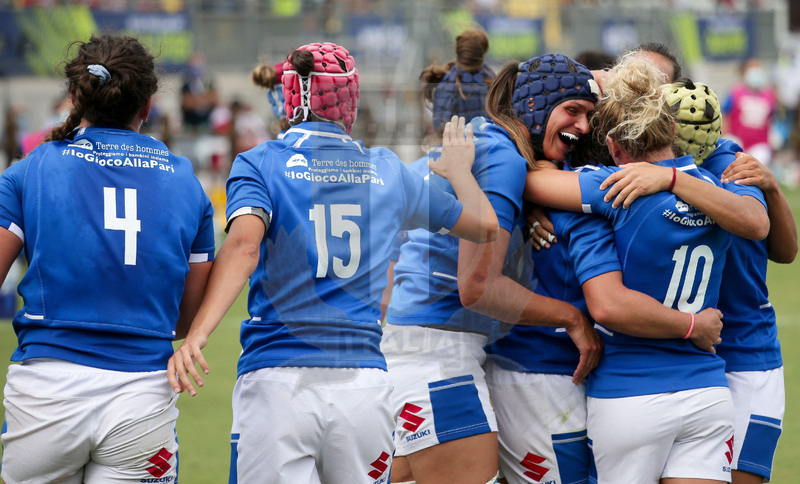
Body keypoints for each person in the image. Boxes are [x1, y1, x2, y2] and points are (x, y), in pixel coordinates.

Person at [167, 42, 499, 484]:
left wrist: (197, 334)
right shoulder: (388, 169)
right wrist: (458, 170)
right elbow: (485, 226)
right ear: (350, 99)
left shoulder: (259, 163)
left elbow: (244, 247)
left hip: (277, 381)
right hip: (363, 384)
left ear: (289, 99)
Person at [522, 54, 769, 484]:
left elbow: (527, 182)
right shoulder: (720, 188)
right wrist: (675, 178)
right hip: (707, 394)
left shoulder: (612, 186)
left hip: (629, 393)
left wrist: (536, 198)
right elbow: (757, 224)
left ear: (614, 146)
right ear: (672, 130)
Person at [0, 33, 215, 484]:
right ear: (148, 105)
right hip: (143, 396)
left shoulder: (31, 168)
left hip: (46, 394)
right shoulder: (186, 182)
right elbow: (184, 320)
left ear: (76, 96)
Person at [383, 52, 603, 484]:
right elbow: (478, 286)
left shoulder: (489, 145)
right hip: (439, 358)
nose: (584, 126)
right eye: (573, 110)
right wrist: (572, 319)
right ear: (534, 106)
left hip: (422, 350)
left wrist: (527, 210)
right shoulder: (502, 157)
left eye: (589, 116)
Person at [661, 78, 798, 484]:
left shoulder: (731, 163)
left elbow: (785, 251)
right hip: (678, 357)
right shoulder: (644, 163)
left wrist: (772, 189)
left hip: (745, 355)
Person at [722, 58, 778, 166]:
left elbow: (771, 119)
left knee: (758, 166)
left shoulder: (769, 95)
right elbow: (724, 115)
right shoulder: (735, 92)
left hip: (759, 143)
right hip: (736, 139)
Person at [180, 51, 219, 133]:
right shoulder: (186, 86)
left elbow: (215, 101)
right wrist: (203, 100)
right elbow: (187, 104)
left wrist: (197, 100)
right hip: (191, 123)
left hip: (207, 122)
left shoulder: (209, 84)